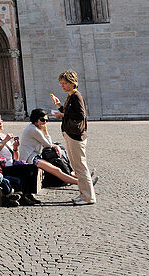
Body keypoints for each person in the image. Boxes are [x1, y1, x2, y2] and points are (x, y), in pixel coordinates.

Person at [51, 70, 97, 206]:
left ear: (72, 83)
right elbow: (68, 112)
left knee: (81, 167)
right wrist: (59, 105)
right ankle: (83, 194)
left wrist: (62, 116)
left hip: (76, 136)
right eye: (61, 83)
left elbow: (81, 115)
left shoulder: (76, 96)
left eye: (65, 83)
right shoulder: (70, 96)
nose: (62, 86)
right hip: (70, 134)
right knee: (77, 167)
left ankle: (88, 197)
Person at [0, 113, 41, 205]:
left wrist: (15, 148)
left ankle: (28, 194)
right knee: (28, 169)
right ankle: (25, 196)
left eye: (1, 121)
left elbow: (15, 157)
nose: (1, 123)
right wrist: (5, 140)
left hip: (11, 164)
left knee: (32, 168)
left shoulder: (2, 135)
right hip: (2, 167)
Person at [19, 109, 80, 187]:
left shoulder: (34, 127)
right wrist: (45, 131)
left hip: (34, 156)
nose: (45, 122)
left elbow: (48, 144)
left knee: (59, 165)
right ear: (35, 118)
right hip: (30, 158)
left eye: (46, 120)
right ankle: (83, 184)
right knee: (57, 170)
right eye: (42, 120)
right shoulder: (33, 130)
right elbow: (48, 144)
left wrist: (54, 145)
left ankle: (81, 178)